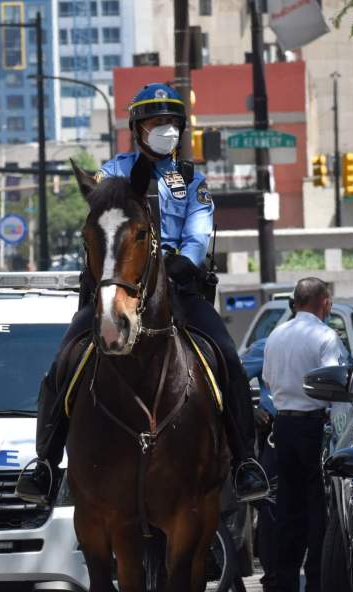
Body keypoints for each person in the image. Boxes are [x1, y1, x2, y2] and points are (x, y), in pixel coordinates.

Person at [15, 82, 267, 506]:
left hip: (178, 291)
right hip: (118, 289)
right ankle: (45, 464)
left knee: (228, 359)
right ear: (138, 127)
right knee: (63, 362)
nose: (164, 129)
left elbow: (198, 233)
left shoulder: (191, 180)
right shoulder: (111, 173)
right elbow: (103, 227)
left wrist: (179, 265)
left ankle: (244, 463)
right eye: (156, 122)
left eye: (171, 122)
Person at [260, 278, 348, 592]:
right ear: (324, 302)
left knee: (287, 512)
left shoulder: (276, 335)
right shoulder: (325, 336)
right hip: (314, 426)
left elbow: (268, 379)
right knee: (317, 514)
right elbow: (335, 386)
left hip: (283, 424)